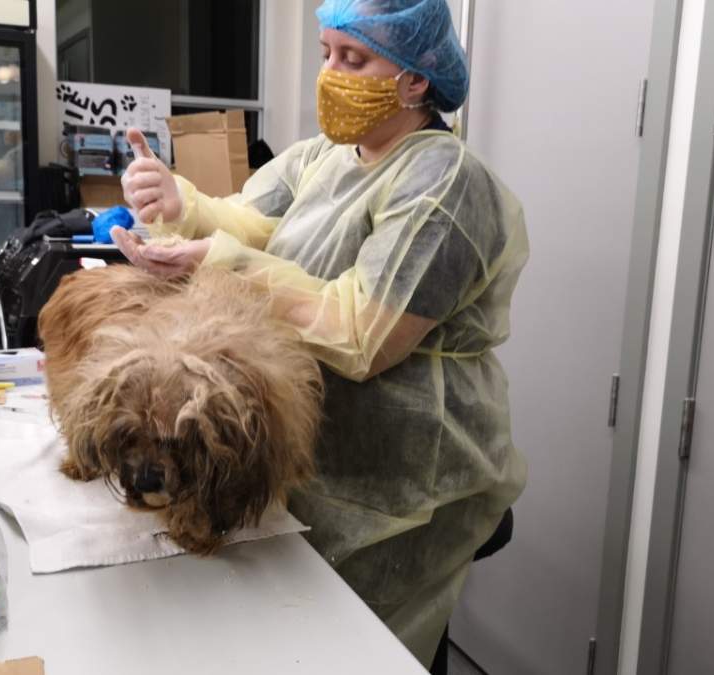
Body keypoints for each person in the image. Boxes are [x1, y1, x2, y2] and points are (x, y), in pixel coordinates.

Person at [110, 0, 529, 667]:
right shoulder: (324, 160)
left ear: (416, 80)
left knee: (371, 650)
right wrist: (180, 204)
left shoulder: (444, 183)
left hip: (408, 475)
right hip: (323, 456)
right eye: (326, 52)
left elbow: (365, 332)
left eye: (354, 58)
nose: (330, 72)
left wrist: (222, 261)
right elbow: (248, 221)